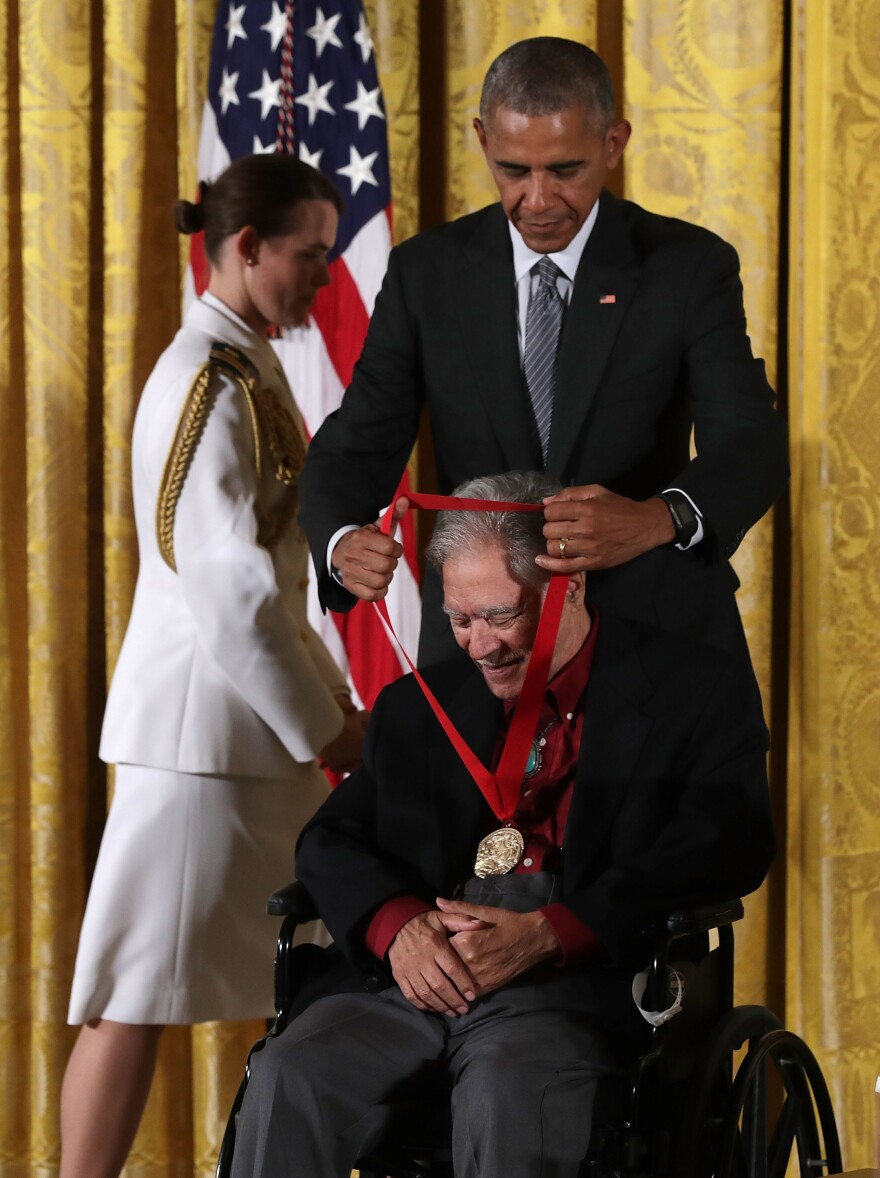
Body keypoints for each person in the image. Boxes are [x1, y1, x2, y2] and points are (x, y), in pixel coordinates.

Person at [230, 470, 775, 1178]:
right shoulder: (418, 704)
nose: (480, 646)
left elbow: (729, 839)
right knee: (288, 1075)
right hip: (416, 973)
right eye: (460, 620)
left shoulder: (690, 688)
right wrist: (398, 929)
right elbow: (331, 839)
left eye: (499, 615)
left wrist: (555, 930)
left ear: (568, 585)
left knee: (507, 1093)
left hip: (571, 978)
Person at [60, 153, 367, 1178]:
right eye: (309, 257)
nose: (323, 279)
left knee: (289, 985)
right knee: (131, 990)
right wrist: (326, 725)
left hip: (239, 740)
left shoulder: (240, 359)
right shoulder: (206, 375)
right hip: (201, 746)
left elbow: (272, 578)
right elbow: (229, 590)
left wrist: (332, 693)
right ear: (245, 248)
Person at [299, 36, 788, 669]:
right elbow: (357, 443)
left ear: (613, 145)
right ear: (482, 141)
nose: (536, 200)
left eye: (564, 170)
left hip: (653, 644)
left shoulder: (688, 267)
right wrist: (340, 540)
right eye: (512, 169)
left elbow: (752, 441)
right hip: (480, 650)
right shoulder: (427, 273)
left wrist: (655, 519)